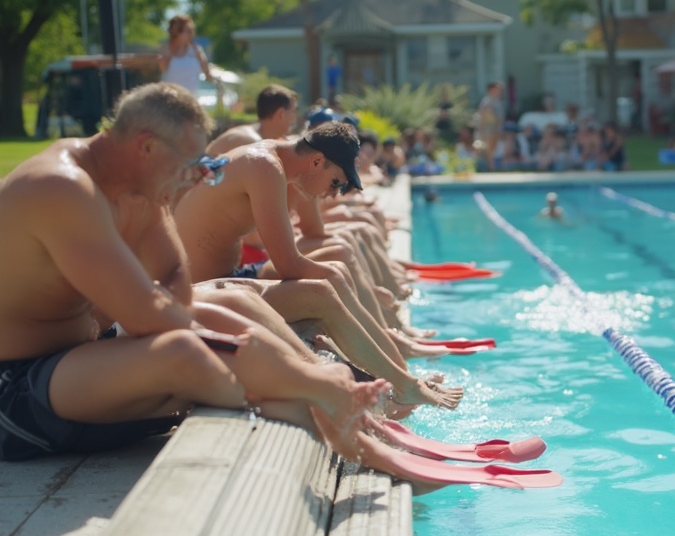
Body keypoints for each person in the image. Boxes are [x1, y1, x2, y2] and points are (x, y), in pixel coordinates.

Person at [0, 82, 389, 461]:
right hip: (18, 385)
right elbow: (147, 316)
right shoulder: (62, 188)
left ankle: (321, 396)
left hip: (79, 359)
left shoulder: (133, 182)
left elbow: (175, 283)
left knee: (221, 311)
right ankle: (320, 401)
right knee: (183, 350)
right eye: (191, 167)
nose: (193, 180)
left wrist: (184, 317)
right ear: (147, 147)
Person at [172, 122, 464, 409]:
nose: (333, 193)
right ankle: (403, 385)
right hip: (198, 291)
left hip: (228, 277)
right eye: (336, 182)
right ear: (316, 161)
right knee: (323, 291)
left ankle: (403, 378)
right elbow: (289, 265)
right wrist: (367, 292)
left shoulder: (270, 160)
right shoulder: (264, 167)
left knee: (335, 272)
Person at [205, 84, 298, 156]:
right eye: (293, 111)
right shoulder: (250, 142)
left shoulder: (259, 137)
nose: (294, 117)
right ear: (280, 114)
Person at [159, 14, 214, 97]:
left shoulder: (196, 50)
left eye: (192, 30)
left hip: (191, 99)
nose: (191, 34)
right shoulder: (167, 49)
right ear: (177, 32)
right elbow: (163, 68)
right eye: (188, 31)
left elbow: (207, 73)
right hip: (170, 99)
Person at [476, 81, 505, 171]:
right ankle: (489, 167)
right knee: (488, 148)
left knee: (493, 148)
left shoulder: (497, 101)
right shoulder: (487, 101)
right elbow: (484, 116)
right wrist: (483, 129)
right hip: (489, 128)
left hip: (496, 128)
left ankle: (491, 166)